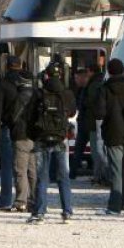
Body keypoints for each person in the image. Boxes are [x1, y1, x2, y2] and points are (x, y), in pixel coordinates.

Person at [26, 67, 76, 224]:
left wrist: (33, 135)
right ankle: (67, 212)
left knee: (42, 176)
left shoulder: (39, 94)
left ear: (46, 76)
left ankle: (39, 213)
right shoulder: (67, 93)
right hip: (60, 138)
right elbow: (73, 112)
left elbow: (30, 116)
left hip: (41, 139)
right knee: (63, 176)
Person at [98, 58, 124, 215]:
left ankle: (115, 206)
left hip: (113, 134)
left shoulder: (104, 89)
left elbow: (99, 113)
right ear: (123, 71)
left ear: (109, 71)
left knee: (116, 172)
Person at [3, 63, 37, 212]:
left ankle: (20, 200)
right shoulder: (38, 95)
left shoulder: (20, 97)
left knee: (20, 169)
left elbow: (13, 117)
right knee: (32, 170)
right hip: (34, 136)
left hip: (21, 135)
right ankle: (34, 198)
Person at [0, 57, 23, 211]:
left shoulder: (3, 84)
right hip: (25, 128)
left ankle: (5, 199)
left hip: (7, 127)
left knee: (7, 165)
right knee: (25, 166)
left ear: (7, 66)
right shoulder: (27, 82)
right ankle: (25, 198)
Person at [70, 68, 92, 179]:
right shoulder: (82, 89)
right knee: (79, 148)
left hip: (86, 123)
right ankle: (73, 171)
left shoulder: (86, 90)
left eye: (77, 78)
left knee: (79, 148)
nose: (75, 81)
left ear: (84, 78)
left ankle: (73, 171)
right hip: (85, 122)